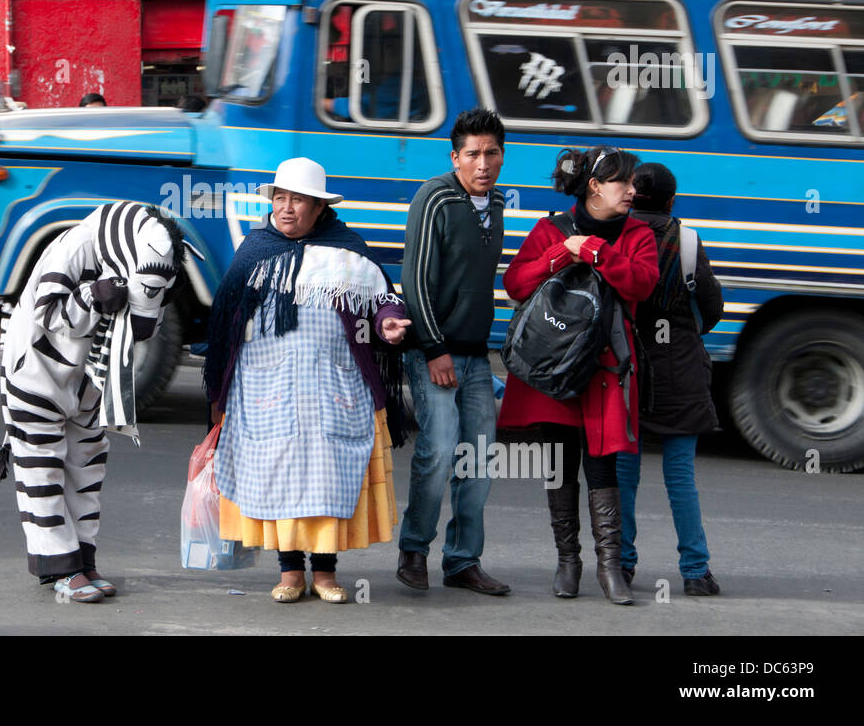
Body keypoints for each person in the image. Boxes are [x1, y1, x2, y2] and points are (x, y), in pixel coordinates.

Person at [205, 157, 410, 604]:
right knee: (278, 478)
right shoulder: (254, 252)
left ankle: (326, 573)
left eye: (298, 200)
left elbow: (383, 297)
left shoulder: (349, 252)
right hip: (264, 391)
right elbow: (224, 320)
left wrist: (389, 322)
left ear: (320, 207)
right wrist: (219, 389)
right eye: (280, 198)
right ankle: (289, 572)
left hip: (332, 391)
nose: (286, 208)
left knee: (328, 479)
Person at [0, 201, 183, 602]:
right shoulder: (74, 247)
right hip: (37, 370)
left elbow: (141, 318)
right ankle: (60, 567)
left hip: (89, 377)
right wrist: (91, 296)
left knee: (87, 467)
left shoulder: (121, 247)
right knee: (42, 467)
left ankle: (82, 559)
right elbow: (48, 314)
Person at [499, 145, 658, 605]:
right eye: (622, 183)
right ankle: (568, 561)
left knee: (603, 461)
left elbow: (641, 284)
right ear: (594, 186)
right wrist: (560, 256)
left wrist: (594, 251)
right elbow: (515, 284)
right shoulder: (551, 228)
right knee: (559, 462)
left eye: (633, 183)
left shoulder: (639, 234)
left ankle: (610, 568)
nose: (632, 190)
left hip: (605, 366)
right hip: (553, 361)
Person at [396, 109, 510, 596]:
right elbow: (414, 279)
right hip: (433, 352)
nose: (483, 163)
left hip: (477, 356)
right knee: (439, 451)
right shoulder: (435, 196)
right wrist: (436, 349)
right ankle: (414, 549)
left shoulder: (498, 202)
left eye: (492, 153)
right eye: (473, 154)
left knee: (479, 461)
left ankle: (463, 560)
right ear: (455, 157)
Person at [619, 162, 724, 596]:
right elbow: (712, 306)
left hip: (626, 368)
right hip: (679, 369)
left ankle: (621, 563)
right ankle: (695, 572)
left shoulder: (617, 237)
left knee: (624, 472)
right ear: (671, 200)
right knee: (680, 475)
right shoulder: (686, 241)